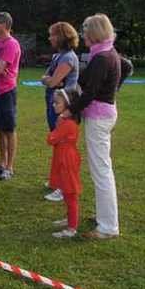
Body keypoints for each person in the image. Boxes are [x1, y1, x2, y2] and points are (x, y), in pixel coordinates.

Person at [70, 13, 128, 240]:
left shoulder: (102, 57)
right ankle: (104, 216)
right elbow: (123, 69)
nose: (83, 35)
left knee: (101, 171)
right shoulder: (106, 53)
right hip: (103, 114)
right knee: (100, 169)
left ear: (95, 33)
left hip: (99, 117)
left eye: (86, 31)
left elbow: (90, 92)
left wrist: (70, 109)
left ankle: (108, 226)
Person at [41, 21, 80, 202]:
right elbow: (47, 79)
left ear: (62, 37)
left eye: (53, 35)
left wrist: (49, 80)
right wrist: (48, 79)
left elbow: (53, 82)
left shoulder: (68, 58)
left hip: (64, 109)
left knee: (63, 149)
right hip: (54, 104)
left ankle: (64, 187)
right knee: (57, 146)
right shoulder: (59, 56)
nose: (50, 38)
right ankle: (56, 181)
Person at [47, 88, 83, 239]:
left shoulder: (67, 124)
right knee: (66, 191)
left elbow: (51, 139)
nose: (54, 105)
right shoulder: (65, 122)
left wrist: (56, 128)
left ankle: (72, 228)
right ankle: (70, 219)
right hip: (64, 157)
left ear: (68, 105)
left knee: (70, 193)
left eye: (57, 103)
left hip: (67, 160)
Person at [0, 12, 22, 181]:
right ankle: (2, 163)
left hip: (6, 91)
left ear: (4, 24)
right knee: (0, 130)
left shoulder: (11, 44)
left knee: (9, 129)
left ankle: (10, 166)